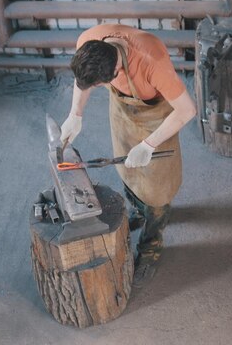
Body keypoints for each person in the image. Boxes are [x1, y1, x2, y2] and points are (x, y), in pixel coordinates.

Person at [60, 24, 197, 287]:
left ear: (116, 72)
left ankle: (152, 244)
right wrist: (75, 114)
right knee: (127, 167)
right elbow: (83, 83)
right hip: (124, 111)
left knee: (158, 190)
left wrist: (149, 144)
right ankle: (138, 210)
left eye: (100, 84)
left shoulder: (152, 62)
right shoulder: (89, 41)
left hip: (157, 118)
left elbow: (187, 110)